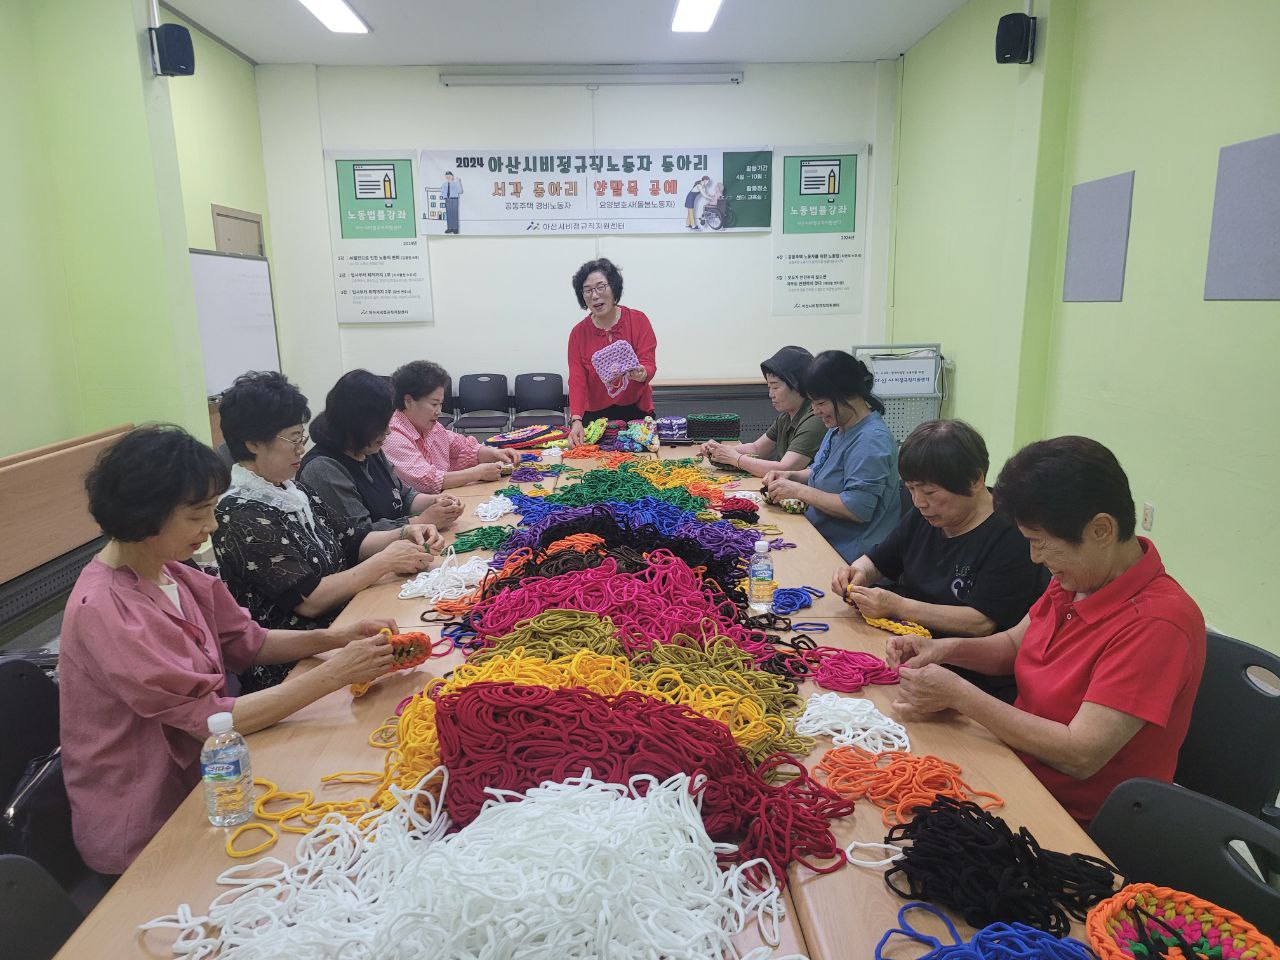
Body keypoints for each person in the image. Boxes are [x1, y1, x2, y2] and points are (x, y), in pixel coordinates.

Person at [60, 425, 401, 875]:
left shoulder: (172, 574)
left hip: (215, 786)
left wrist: (337, 637)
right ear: (145, 517)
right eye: (198, 515)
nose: (212, 527)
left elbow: (248, 641)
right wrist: (335, 673)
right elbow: (211, 720)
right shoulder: (104, 610)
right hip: (150, 822)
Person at [887, 436, 1205, 824]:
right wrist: (944, 650)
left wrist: (960, 696)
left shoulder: (1157, 624)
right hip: (1015, 767)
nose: (1035, 557)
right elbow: (1012, 646)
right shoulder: (1078, 578)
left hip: (1075, 819)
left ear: (1101, 530)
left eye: (1041, 543)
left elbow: (1081, 753)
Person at [213, 371, 441, 692]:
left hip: (342, 629)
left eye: (300, 436)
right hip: (295, 665)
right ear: (252, 443)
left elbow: (353, 540)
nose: (300, 449)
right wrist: (386, 561)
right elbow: (310, 600)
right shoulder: (242, 513)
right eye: (292, 438)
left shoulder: (293, 490)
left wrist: (407, 536)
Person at [832, 420, 1049, 702]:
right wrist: (856, 573)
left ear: (975, 480)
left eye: (930, 492)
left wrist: (897, 605)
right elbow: (878, 560)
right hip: (908, 652)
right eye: (911, 489)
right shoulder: (927, 517)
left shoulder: (1012, 534)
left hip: (969, 681)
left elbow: (981, 622)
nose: (919, 502)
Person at [763, 350, 901, 562]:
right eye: (813, 403)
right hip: (820, 536)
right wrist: (790, 476)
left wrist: (799, 491)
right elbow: (821, 471)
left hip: (850, 557)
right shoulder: (839, 427)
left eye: (821, 403)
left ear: (847, 395)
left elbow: (856, 508)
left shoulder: (871, 440)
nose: (816, 412)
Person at [298, 369, 464, 535]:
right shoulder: (323, 468)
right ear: (357, 423)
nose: (388, 432)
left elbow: (404, 496)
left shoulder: (369, 448)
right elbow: (359, 536)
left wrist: (436, 501)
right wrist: (422, 521)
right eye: (381, 425)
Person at [382, 360, 518, 492]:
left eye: (441, 404)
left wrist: (496, 453)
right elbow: (426, 481)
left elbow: (463, 448)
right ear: (408, 401)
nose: (439, 411)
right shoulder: (392, 436)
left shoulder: (432, 428)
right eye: (434, 404)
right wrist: (477, 473)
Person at [566, 258, 658, 446]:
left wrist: (642, 373)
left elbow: (649, 363)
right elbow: (577, 379)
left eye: (601, 287)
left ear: (614, 287)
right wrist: (576, 420)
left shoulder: (638, 320)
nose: (595, 296)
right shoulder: (578, 333)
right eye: (588, 290)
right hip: (595, 417)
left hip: (636, 412)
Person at [703, 346, 826, 477]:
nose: (771, 394)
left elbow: (785, 469)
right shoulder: (786, 415)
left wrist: (735, 458)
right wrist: (720, 450)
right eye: (769, 387)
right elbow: (757, 448)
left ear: (797, 385)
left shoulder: (815, 419)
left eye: (775, 387)